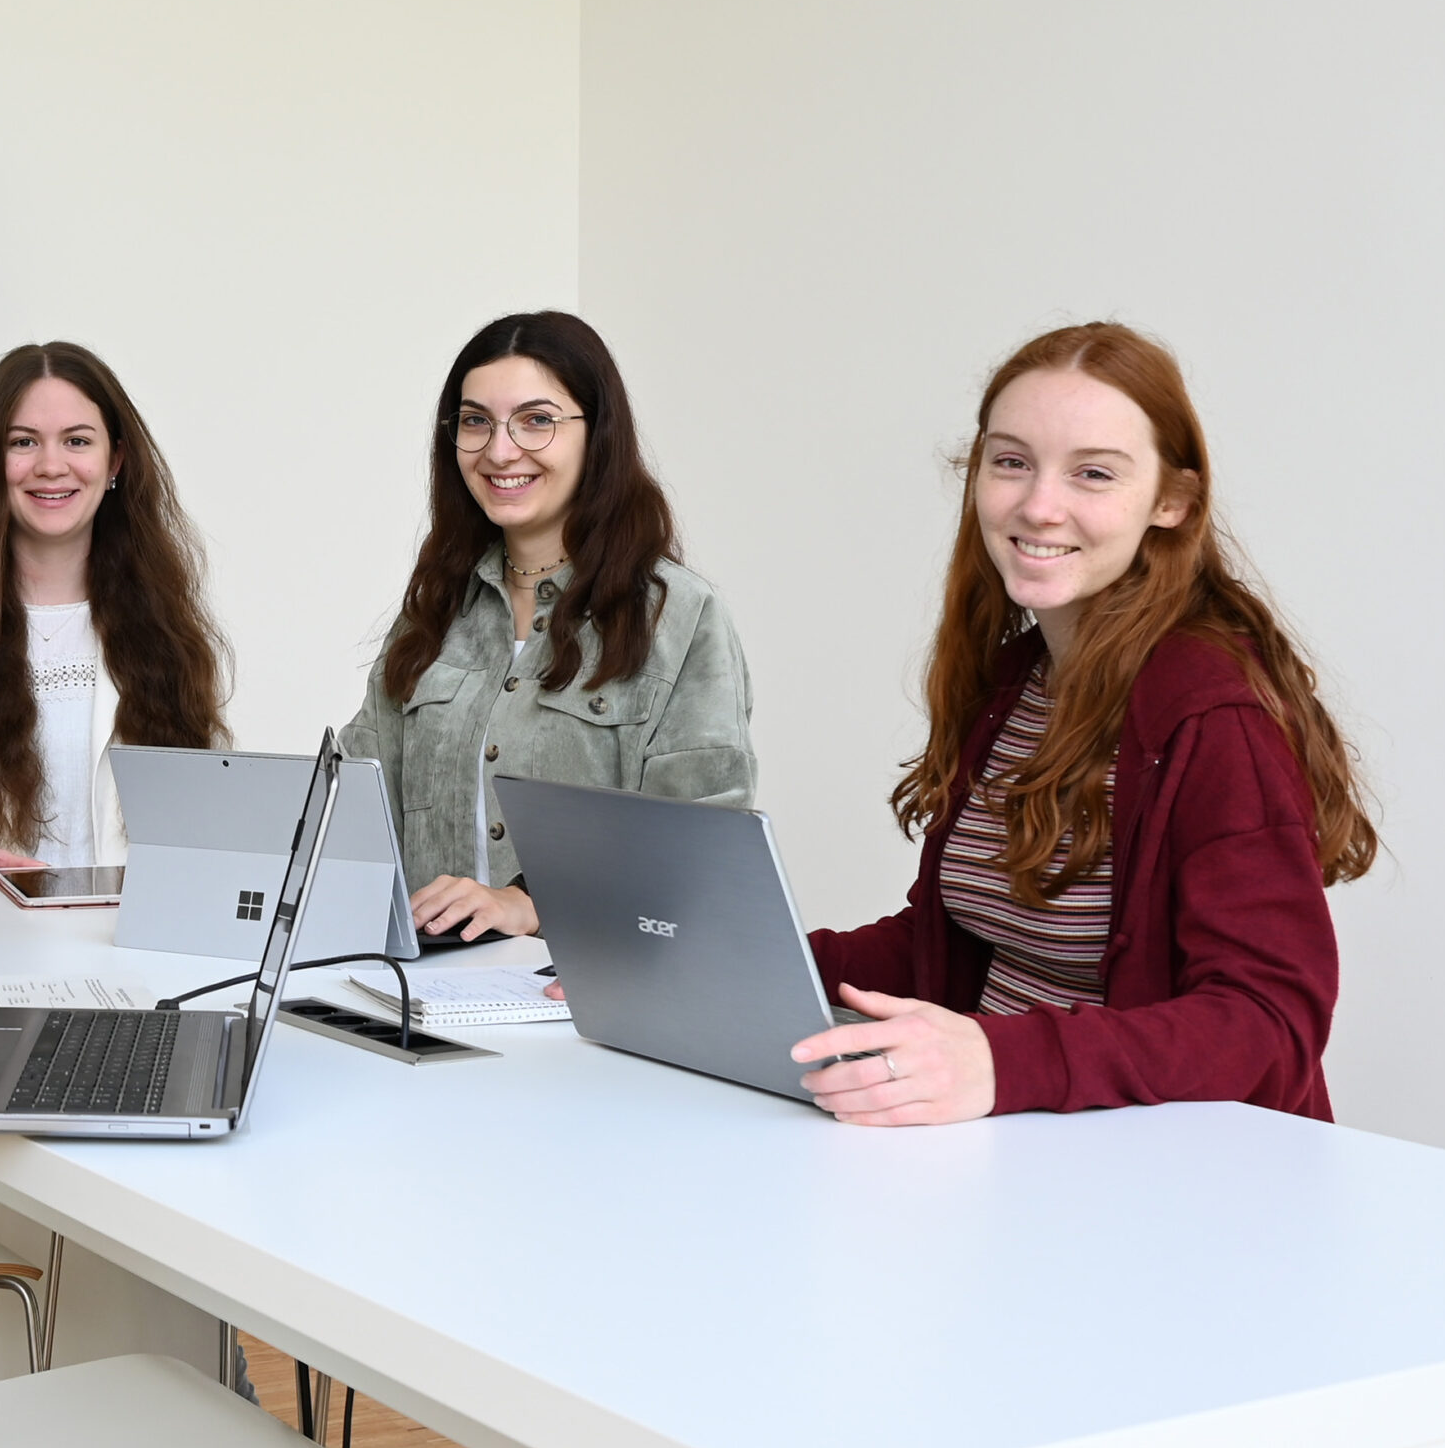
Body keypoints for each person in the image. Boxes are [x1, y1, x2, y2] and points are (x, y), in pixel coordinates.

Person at [786, 322, 1376, 1125]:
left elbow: (1269, 1024)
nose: (1038, 504)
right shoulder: (1018, 678)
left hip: (1162, 1182)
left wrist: (999, 1060)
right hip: (1021, 1148)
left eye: (1092, 473)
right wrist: (741, 957)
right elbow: (949, 935)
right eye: (1012, 462)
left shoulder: (1212, 711)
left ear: (1173, 501)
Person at [344, 310, 756, 943]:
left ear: (598, 434)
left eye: (537, 420)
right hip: (427, 994)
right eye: (476, 422)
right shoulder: (429, 615)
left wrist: (533, 903)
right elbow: (356, 813)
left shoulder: (678, 614)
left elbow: (703, 844)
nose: (500, 450)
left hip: (592, 999)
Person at [0, 341, 226, 880]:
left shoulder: (170, 627)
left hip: (137, 949)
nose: (51, 466)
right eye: (23, 442)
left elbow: (214, 820)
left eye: (77, 441)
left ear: (115, 460)